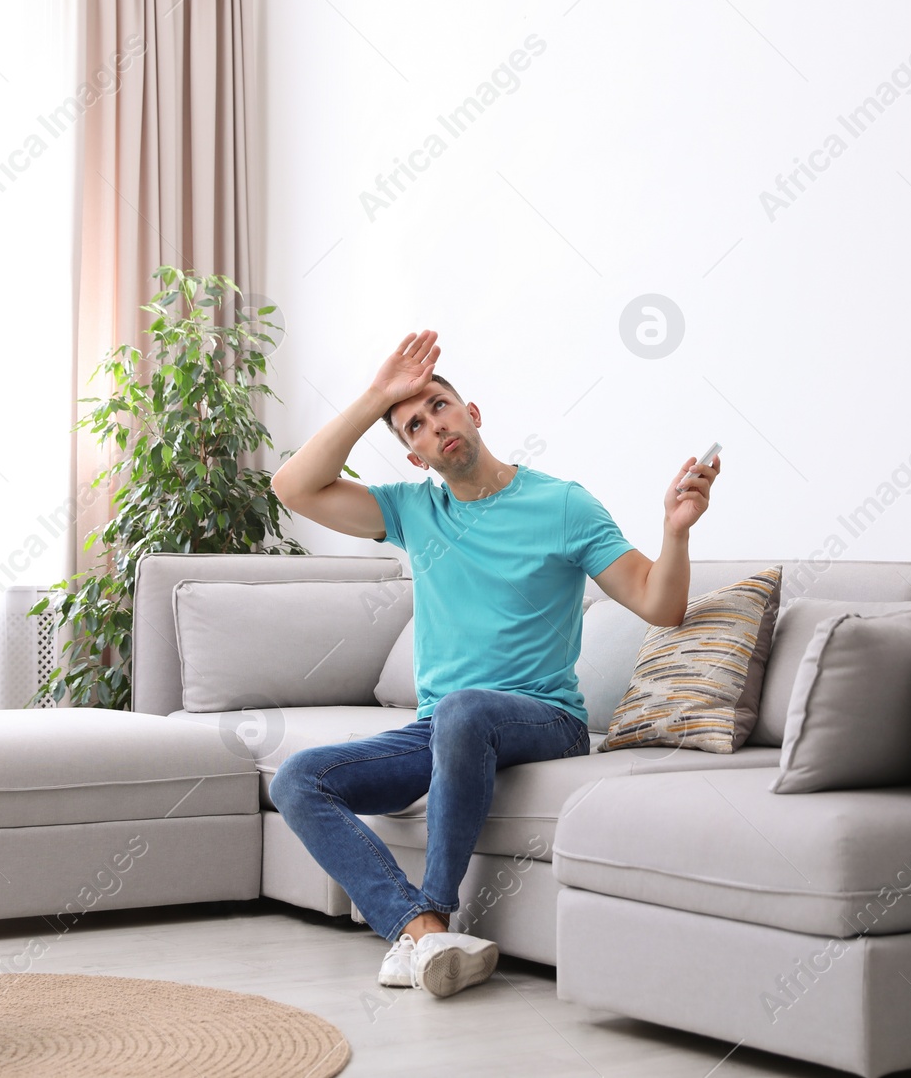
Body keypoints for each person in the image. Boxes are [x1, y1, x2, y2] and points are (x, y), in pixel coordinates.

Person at [268, 329, 718, 997]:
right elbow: (293, 486)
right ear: (416, 455)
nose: (433, 425)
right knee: (299, 779)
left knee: (463, 709)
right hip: (441, 727)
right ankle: (421, 933)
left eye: (439, 407)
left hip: (545, 720)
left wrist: (676, 531)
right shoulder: (413, 510)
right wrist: (376, 396)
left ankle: (436, 912)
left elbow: (661, 603)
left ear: (471, 414)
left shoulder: (561, 504)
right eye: (413, 425)